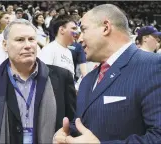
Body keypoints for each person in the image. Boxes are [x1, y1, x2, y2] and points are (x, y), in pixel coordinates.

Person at [53, 4, 161, 144]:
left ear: (106, 27)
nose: (79, 39)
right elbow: (84, 123)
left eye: (84, 30)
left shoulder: (154, 66)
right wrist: (67, 134)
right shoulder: (88, 80)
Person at [0, 19, 76, 144]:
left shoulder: (62, 77)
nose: (28, 45)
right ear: (5, 45)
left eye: (31, 39)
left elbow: (73, 122)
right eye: (20, 40)